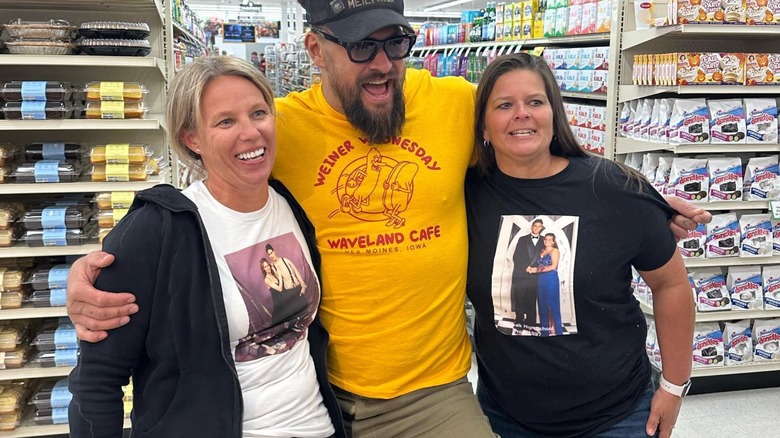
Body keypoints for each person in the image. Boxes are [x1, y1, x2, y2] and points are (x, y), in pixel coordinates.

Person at [65, 0, 710, 436]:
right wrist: (96, 266)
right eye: (361, 46)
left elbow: (534, 138)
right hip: (324, 392)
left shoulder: (456, 103)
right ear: (315, 50)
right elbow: (211, 168)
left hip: (436, 392)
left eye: (396, 41)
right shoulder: (279, 124)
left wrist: (639, 195)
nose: (382, 62)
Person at [67, 56, 343, 438]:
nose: (250, 133)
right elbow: (97, 380)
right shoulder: (158, 229)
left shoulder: (287, 203)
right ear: (191, 138)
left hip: (318, 425)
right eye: (226, 121)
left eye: (258, 113)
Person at [466, 52, 695, 438]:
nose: (521, 113)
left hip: (616, 415)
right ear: (483, 127)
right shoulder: (464, 195)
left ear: (554, 116)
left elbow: (670, 284)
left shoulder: (613, 188)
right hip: (504, 415)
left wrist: (674, 387)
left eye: (535, 102)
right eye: (504, 105)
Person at [510, 218, 545, 331]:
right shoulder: (522, 239)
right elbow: (516, 256)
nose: (536, 228)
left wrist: (536, 269)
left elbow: (547, 258)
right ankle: (519, 321)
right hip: (521, 273)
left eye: (539, 226)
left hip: (536, 275)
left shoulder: (545, 240)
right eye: (535, 225)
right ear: (532, 227)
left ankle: (530, 322)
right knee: (519, 297)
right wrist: (526, 267)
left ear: (541, 228)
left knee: (531, 298)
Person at [530, 233, 563, 337]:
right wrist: (531, 268)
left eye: (550, 239)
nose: (547, 241)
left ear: (553, 241)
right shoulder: (542, 251)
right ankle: (545, 332)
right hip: (541, 279)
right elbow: (539, 265)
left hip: (551, 279)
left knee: (553, 306)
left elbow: (553, 266)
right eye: (546, 239)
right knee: (542, 306)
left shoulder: (555, 251)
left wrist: (536, 270)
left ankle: (558, 332)